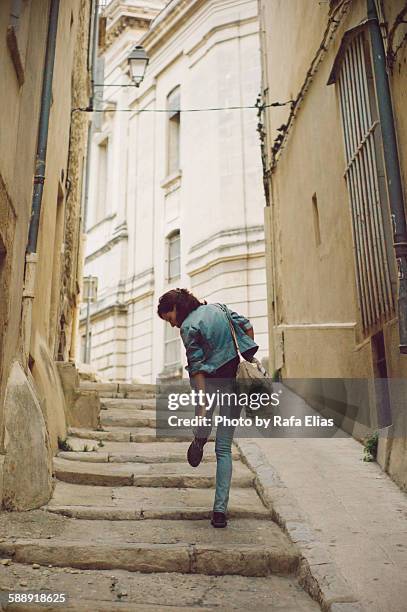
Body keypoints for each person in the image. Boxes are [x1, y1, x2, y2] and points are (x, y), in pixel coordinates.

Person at [157, 288, 258, 528]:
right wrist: (244, 357)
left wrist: (202, 406)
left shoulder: (188, 327)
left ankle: (199, 439)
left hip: (211, 385)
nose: (172, 325)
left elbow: (197, 367)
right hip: (235, 383)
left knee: (203, 425)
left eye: (170, 319)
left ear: (176, 308)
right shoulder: (219, 308)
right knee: (224, 448)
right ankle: (219, 511)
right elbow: (247, 326)